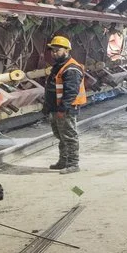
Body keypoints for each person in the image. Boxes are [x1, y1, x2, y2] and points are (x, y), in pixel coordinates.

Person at [42, 35, 87, 172]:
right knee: (61, 136)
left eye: (58, 50)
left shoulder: (71, 68)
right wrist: (48, 107)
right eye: (53, 50)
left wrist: (63, 109)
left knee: (69, 136)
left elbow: (71, 92)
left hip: (66, 109)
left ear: (66, 51)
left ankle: (73, 164)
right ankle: (63, 161)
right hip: (56, 108)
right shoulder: (59, 66)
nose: (54, 53)